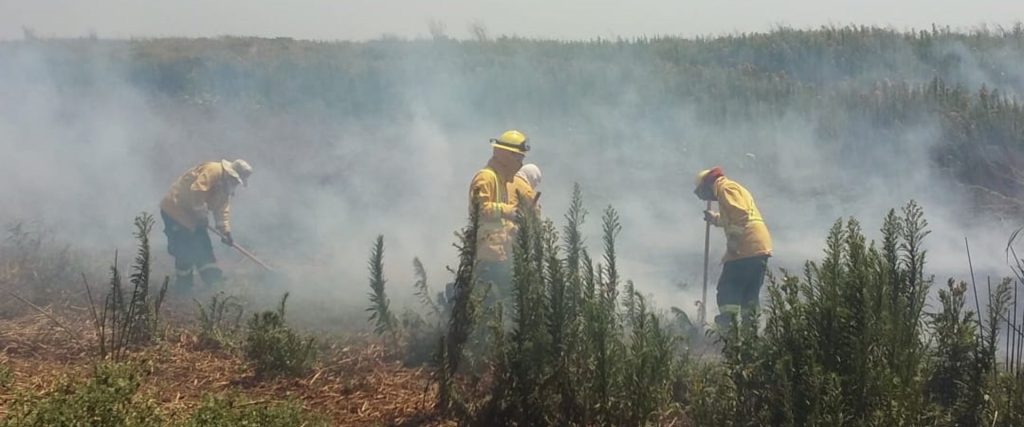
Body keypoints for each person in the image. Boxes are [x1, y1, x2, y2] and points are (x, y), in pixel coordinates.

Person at [694, 166, 772, 330]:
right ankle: (750, 333)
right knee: (749, 293)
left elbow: (740, 214)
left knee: (728, 287)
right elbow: (732, 216)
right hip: (759, 247)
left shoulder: (725, 188)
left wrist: (735, 240)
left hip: (746, 246)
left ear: (708, 185)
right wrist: (715, 219)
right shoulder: (732, 188)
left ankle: (727, 330)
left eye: (703, 192)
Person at [160, 159, 252, 289]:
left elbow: (221, 209)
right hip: (175, 210)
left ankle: (214, 281)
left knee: (203, 245)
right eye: (236, 180)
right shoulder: (214, 170)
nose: (236, 183)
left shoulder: (225, 189)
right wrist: (200, 214)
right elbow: (197, 190)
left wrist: (225, 231)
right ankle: (183, 287)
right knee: (185, 248)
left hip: (193, 216)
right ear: (230, 174)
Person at [468, 130, 536, 298]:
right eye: (518, 157)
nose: (520, 163)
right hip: (487, 254)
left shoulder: (503, 180)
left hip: (501, 253)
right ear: (506, 155)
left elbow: (500, 220)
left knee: (508, 300)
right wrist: (510, 212)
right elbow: (480, 209)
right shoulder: (486, 177)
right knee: (491, 302)